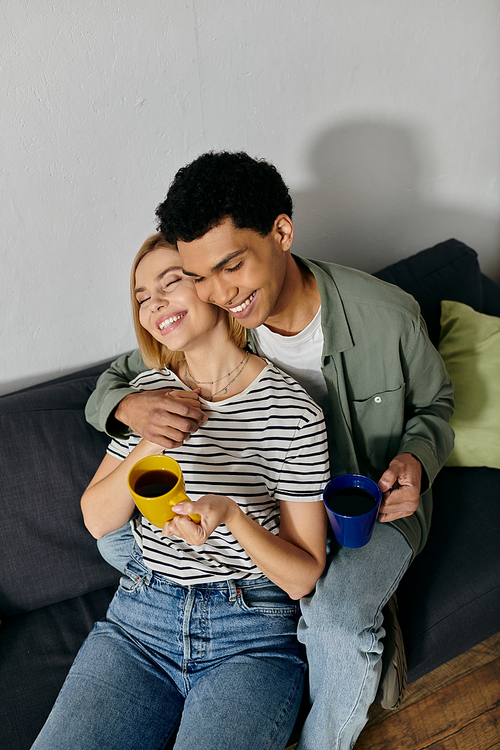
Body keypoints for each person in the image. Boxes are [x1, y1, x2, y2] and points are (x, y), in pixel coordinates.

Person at [85, 152, 455, 750]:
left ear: (282, 233)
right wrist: (129, 411)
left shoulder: (388, 316)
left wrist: (418, 459)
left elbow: (437, 405)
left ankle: (350, 660)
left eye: (232, 266)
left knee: (334, 616)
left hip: (367, 504)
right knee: (112, 533)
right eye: (200, 276)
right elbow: (125, 376)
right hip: (270, 517)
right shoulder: (215, 317)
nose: (221, 292)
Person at [32, 233, 330, 750]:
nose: (156, 303)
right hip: (140, 620)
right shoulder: (150, 395)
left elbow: (304, 576)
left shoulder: (294, 411)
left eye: (171, 282)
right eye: (143, 296)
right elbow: (97, 520)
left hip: (251, 635)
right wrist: (149, 440)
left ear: (212, 287)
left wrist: (233, 517)